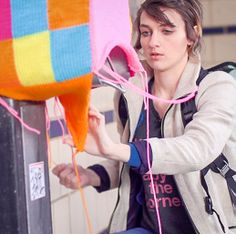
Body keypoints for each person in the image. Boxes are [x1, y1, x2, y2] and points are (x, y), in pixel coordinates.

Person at [52, 0, 236, 233]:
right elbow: (131, 159)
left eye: (167, 31)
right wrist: (91, 176)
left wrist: (112, 148)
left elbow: (197, 150)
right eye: (146, 32)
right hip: (146, 226)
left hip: (203, 226)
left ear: (192, 35)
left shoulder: (216, 86)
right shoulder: (130, 96)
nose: (153, 42)